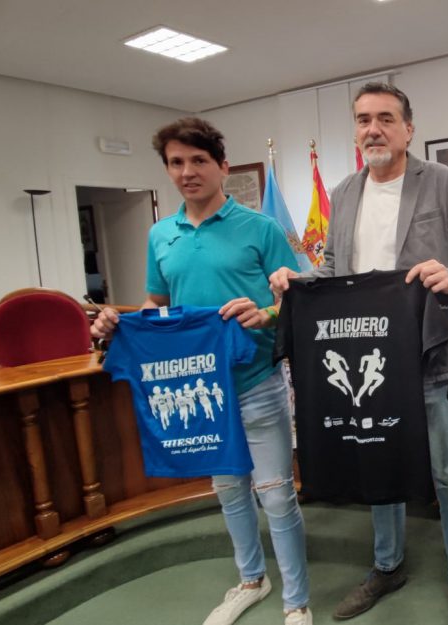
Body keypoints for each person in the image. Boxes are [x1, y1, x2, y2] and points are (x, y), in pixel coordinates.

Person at [269, 82, 448, 625]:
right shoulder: (345, 193)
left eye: (386, 119)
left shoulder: (443, 183)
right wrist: (296, 283)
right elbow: (333, 273)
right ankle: (387, 565)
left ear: (408, 128)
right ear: (355, 129)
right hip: (368, 367)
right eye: (364, 119)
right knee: (378, 463)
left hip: (433, 358)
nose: (374, 128)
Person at [90, 117, 311, 625]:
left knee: (277, 498)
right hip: (201, 391)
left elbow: (294, 301)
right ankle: (251, 580)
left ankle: (297, 602)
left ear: (222, 166)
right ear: (167, 169)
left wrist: (266, 312)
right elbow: (156, 304)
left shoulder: (262, 228)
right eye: (176, 163)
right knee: (229, 492)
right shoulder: (160, 235)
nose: (187, 171)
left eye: (198, 161)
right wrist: (116, 322)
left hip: (258, 384)